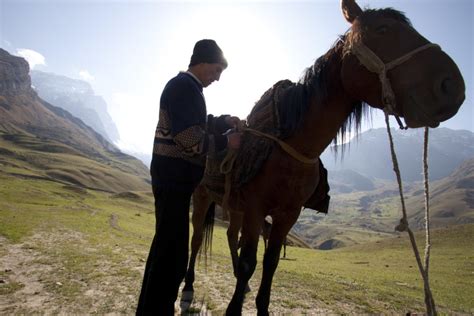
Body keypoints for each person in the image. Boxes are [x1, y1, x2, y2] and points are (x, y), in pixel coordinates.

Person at [136, 39, 241, 315]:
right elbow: (188, 139)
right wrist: (225, 142)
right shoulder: (185, 88)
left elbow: (196, 123)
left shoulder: (187, 88)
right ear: (203, 62)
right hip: (173, 181)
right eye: (217, 70)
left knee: (165, 250)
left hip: (174, 182)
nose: (217, 78)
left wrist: (222, 121)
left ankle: (150, 308)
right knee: (171, 257)